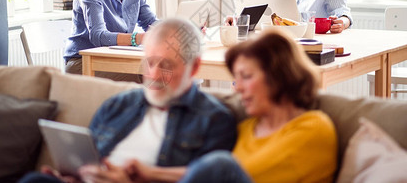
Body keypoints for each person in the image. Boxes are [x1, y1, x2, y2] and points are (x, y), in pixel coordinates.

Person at [20, 18, 237, 183]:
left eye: (167, 65)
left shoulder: (215, 119)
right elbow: (91, 161)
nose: (154, 75)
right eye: (150, 62)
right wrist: (73, 176)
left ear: (195, 67)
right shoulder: (119, 104)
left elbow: (203, 176)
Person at [122, 28, 338, 183]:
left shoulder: (314, 127)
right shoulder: (246, 129)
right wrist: (147, 173)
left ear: (279, 75)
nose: (238, 88)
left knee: (221, 163)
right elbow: (204, 175)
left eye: (246, 76)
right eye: (236, 79)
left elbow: (237, 173)